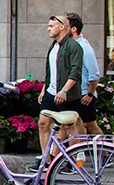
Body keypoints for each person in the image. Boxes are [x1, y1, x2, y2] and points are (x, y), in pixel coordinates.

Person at [36, 13, 84, 165]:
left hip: (67, 94)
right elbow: (51, 72)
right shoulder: (53, 46)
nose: (48, 29)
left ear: (62, 27)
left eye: (51, 26)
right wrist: (44, 89)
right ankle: (46, 161)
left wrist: (64, 90)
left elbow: (75, 72)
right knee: (43, 123)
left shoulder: (73, 46)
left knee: (69, 127)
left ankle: (74, 161)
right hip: (51, 92)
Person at [67, 12, 102, 137]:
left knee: (89, 125)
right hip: (73, 94)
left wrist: (90, 94)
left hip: (84, 94)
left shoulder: (84, 48)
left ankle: (105, 148)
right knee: (73, 125)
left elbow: (94, 74)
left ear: (73, 29)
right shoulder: (68, 46)